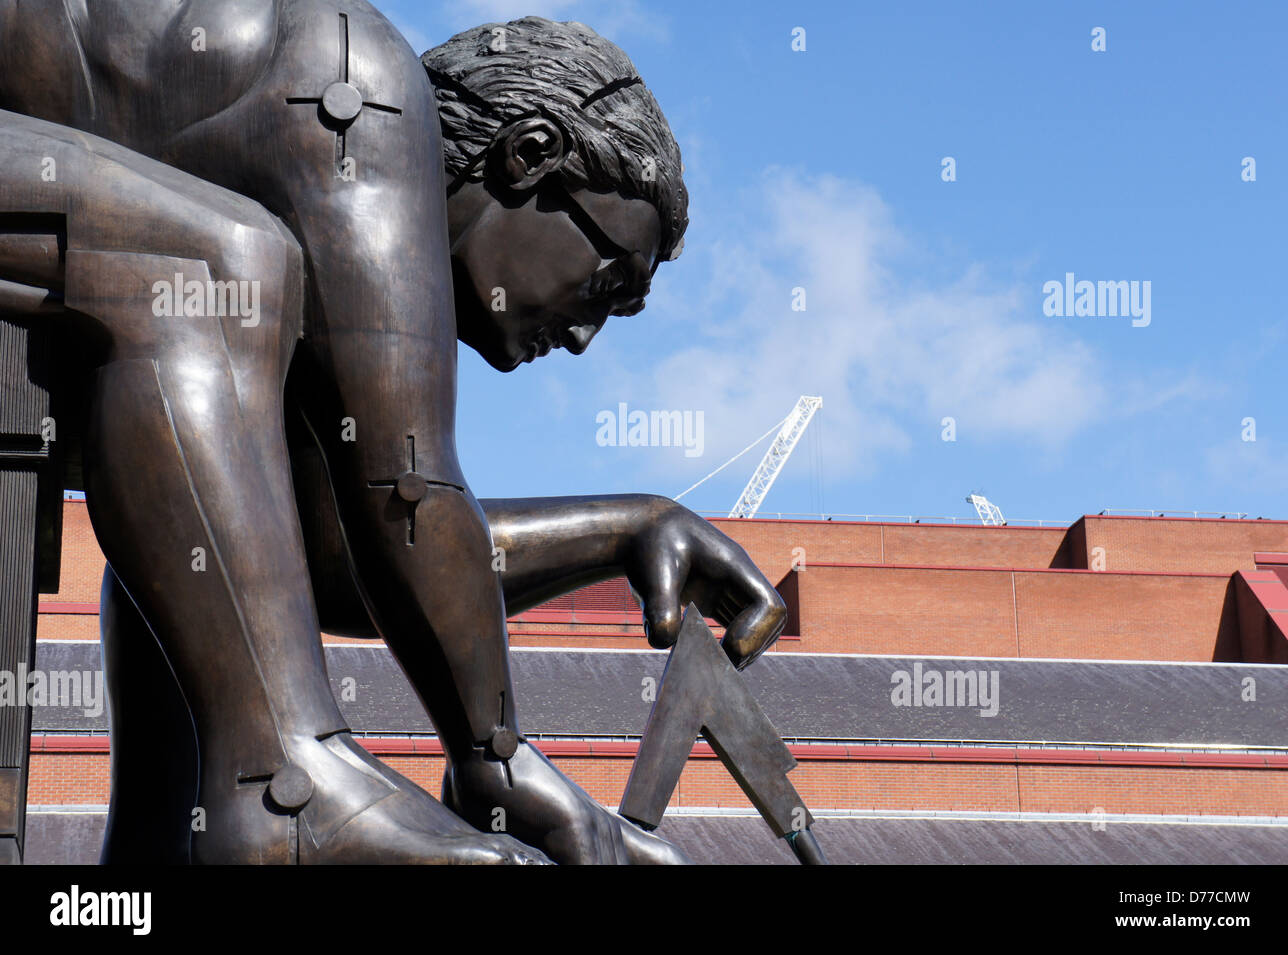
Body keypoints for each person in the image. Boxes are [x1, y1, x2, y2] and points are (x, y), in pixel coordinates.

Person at [0, 5, 785, 863]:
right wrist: (496, 756)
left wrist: (627, 527)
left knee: (212, 509)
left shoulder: (305, 241)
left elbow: (332, 559)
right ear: (528, 156)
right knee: (214, 270)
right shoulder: (365, 96)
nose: (584, 336)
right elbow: (407, 492)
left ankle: (150, 868)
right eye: (606, 284)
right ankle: (282, 787)